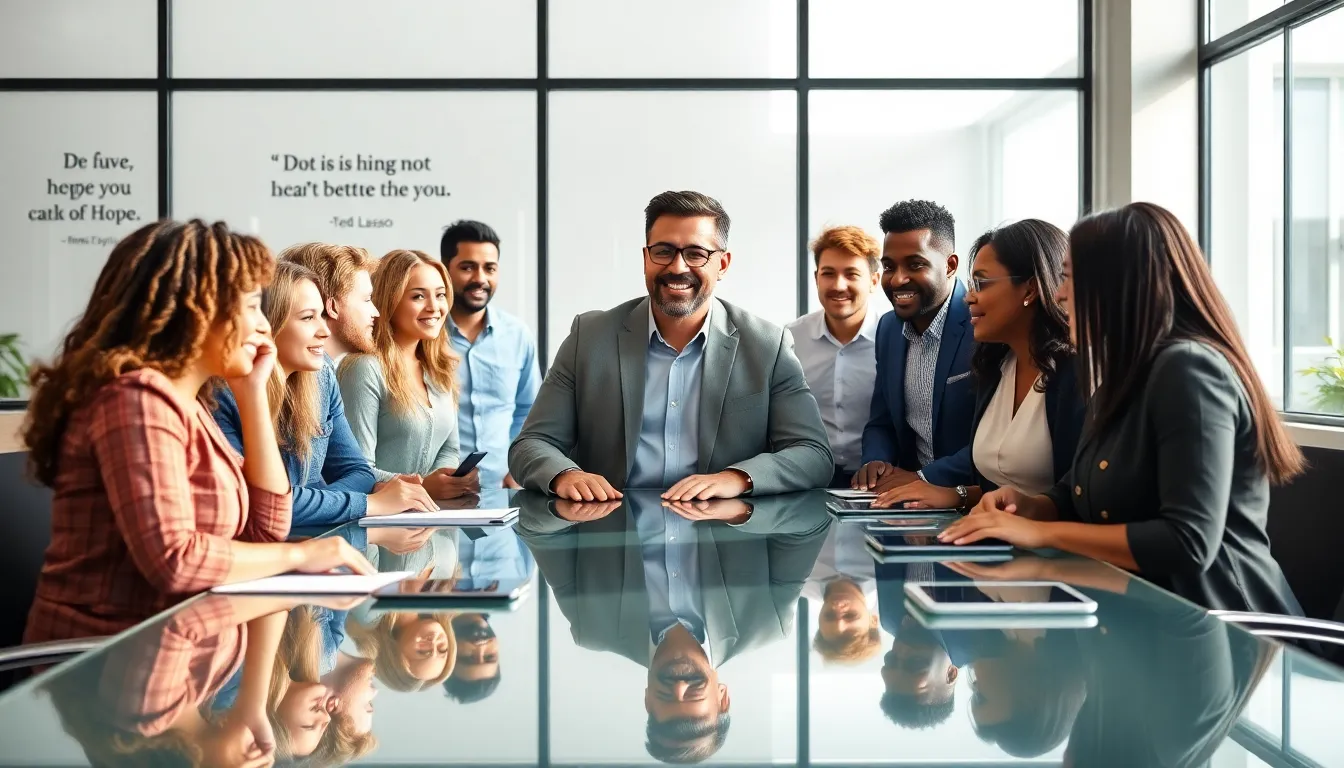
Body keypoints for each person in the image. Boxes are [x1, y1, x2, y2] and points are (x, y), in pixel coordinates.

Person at [941, 202, 1307, 614]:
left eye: (1069, 279)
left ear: (1119, 284)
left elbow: (1186, 543)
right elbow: (1076, 489)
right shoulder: (1122, 374)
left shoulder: (1189, 369)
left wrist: (1040, 533)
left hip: (1223, 628)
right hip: (1142, 612)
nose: (1059, 294)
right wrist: (1030, 505)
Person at [22, 219, 373, 644]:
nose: (264, 327)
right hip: (106, 665)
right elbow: (175, 560)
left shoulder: (193, 405)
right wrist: (304, 553)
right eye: (249, 308)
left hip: (178, 651)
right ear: (197, 311)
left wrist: (252, 393)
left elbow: (266, 529)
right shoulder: (135, 399)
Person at [509, 190, 833, 501]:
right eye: (663, 251)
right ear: (645, 258)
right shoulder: (589, 337)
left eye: (696, 253)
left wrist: (737, 478)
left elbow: (813, 453)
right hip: (611, 534)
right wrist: (565, 474)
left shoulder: (766, 345)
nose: (677, 267)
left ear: (722, 264)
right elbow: (532, 444)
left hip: (724, 538)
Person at [873, 219, 1083, 512]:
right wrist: (958, 495)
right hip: (995, 536)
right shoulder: (995, 365)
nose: (970, 296)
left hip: (1054, 549)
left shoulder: (1075, 374)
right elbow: (998, 485)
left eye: (982, 284)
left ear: (1030, 290)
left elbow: (1079, 495)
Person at [213, 261, 438, 527]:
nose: (324, 330)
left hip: (307, 543)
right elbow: (258, 507)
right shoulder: (223, 396)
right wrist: (369, 503)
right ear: (267, 325)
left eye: (322, 315)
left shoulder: (320, 378)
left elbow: (359, 473)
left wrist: (308, 503)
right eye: (308, 318)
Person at [854, 200, 976, 494]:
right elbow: (881, 422)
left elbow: (996, 442)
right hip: (911, 505)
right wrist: (876, 463)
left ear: (950, 265)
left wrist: (922, 477)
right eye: (888, 266)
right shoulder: (887, 329)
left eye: (915, 264)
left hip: (974, 497)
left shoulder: (982, 325)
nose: (897, 279)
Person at [338, 249, 479, 500]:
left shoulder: (439, 369)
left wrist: (450, 479)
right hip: (381, 528)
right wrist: (423, 486)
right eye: (418, 296)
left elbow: (449, 450)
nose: (434, 307)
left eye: (440, 295)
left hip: (434, 521)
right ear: (389, 301)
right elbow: (356, 471)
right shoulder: (364, 368)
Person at [441, 220, 542, 490]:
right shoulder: (425, 336)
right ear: (444, 269)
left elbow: (529, 412)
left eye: (490, 268)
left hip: (503, 492)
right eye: (467, 267)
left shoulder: (517, 334)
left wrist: (518, 469)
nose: (480, 279)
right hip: (434, 494)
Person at [786, 225, 884, 489]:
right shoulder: (789, 340)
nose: (839, 285)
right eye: (828, 274)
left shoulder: (895, 340)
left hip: (879, 481)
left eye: (851, 274)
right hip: (807, 481)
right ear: (817, 278)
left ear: (874, 281)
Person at [280, 242, 379, 368]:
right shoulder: (321, 374)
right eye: (367, 299)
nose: (376, 312)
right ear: (332, 307)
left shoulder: (327, 374)